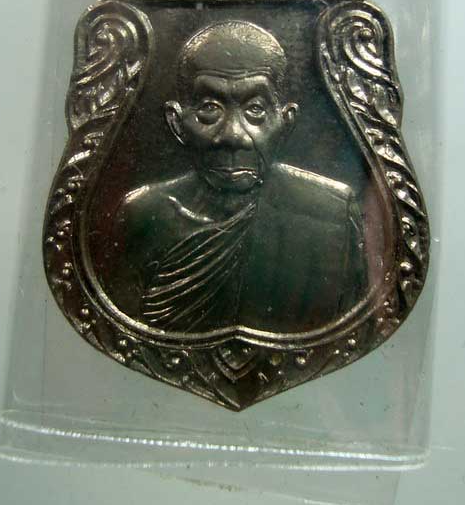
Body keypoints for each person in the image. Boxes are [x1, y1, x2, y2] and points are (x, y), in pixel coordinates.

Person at [102, 20, 369, 335]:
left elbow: (354, 326)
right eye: (209, 108)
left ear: (285, 122)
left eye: (255, 109)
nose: (233, 135)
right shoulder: (143, 215)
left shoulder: (330, 214)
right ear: (176, 122)